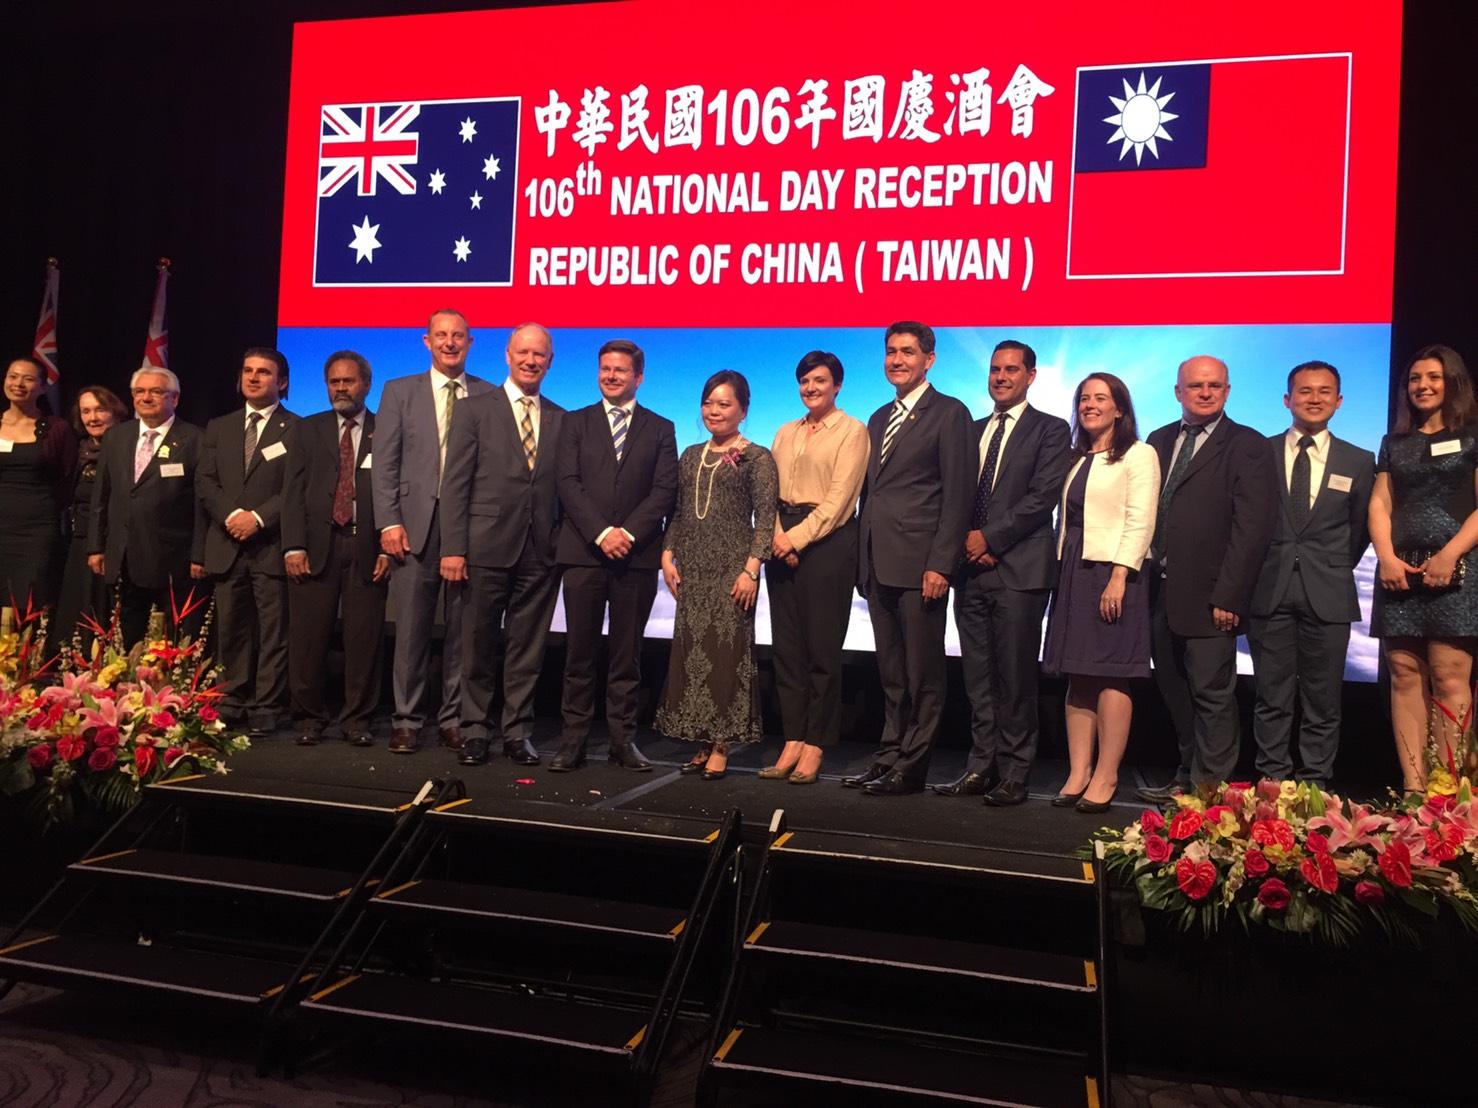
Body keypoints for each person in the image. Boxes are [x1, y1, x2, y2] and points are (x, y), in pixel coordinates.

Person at [1138, 356, 1276, 800]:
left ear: (1227, 391)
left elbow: (1252, 529)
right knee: (1174, 689)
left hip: (1213, 597)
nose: (1205, 392)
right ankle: (1187, 776)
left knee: (1212, 695)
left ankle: (1211, 793)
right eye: (1196, 385)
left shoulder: (1248, 445)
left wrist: (1230, 596)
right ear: (1178, 392)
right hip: (1158, 590)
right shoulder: (1159, 440)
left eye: (1214, 385)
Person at [940, 340, 1071, 806]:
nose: (1000, 377)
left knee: (1015, 679)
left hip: (1019, 571)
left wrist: (990, 539)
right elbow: (953, 496)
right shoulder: (971, 430)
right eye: (995, 369)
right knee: (977, 679)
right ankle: (981, 766)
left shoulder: (1051, 430)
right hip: (969, 571)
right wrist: (966, 542)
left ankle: (1015, 772)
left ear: (1030, 376)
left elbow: (1042, 497)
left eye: (1011, 369)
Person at [850, 322, 972, 796]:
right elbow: (872, 494)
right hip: (878, 562)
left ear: (929, 359)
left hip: (922, 566)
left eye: (907, 351)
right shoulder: (879, 416)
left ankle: (913, 765)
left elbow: (957, 496)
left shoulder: (950, 413)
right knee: (892, 674)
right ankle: (889, 756)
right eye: (891, 352)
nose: (896, 360)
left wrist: (941, 564)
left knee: (923, 674)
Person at [440, 323, 565, 767]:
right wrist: (453, 548)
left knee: (527, 649)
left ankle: (517, 732)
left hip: (540, 551)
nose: (531, 361)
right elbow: (455, 483)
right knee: (478, 645)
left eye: (539, 354)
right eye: (523, 352)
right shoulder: (474, 410)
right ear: (507, 356)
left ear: (550, 362)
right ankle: (475, 730)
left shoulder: (561, 417)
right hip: (483, 547)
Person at [550, 339, 678, 772]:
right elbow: (567, 483)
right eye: (605, 368)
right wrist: (603, 533)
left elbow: (664, 490)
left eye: (620, 370)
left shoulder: (661, 428)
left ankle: (623, 741)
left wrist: (628, 534)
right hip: (584, 554)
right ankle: (573, 742)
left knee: (628, 656)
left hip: (636, 558)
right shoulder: (575, 422)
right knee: (578, 654)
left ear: (638, 377)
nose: (611, 376)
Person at [1248, 362, 1374, 789]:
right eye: (1305, 391)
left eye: (1324, 392)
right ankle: (1272, 786)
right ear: (1288, 400)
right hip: (1268, 590)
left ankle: (1314, 787)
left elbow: (1359, 530)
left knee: (1323, 702)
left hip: (1330, 592)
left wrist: (1330, 566)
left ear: (1338, 401)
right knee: (1271, 698)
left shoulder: (1359, 460)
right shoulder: (1260, 453)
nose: (1314, 399)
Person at [372, 309, 494, 755]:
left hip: (470, 529)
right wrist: (388, 521)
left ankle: (454, 719)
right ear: (427, 341)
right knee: (411, 631)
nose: (449, 343)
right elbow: (385, 463)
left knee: (464, 632)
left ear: (470, 342)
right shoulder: (398, 391)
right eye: (441, 335)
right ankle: (406, 719)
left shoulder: (489, 394)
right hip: (412, 527)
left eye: (458, 335)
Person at [1041, 374, 1159, 813]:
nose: (1090, 405)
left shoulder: (1138, 454)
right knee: (1078, 673)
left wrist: (1119, 575)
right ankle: (1078, 772)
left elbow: (1141, 518)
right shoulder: (1077, 457)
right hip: (1074, 569)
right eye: (1084, 399)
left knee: (1111, 672)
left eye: (1101, 398)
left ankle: (1107, 775)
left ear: (1120, 408)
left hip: (1113, 573)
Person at [655, 371, 778, 779]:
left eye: (724, 404)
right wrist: (667, 554)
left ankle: (723, 743)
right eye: (708, 403)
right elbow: (678, 512)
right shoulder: (691, 455)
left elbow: (765, 519)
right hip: (693, 569)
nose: (714, 411)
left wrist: (751, 570)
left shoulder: (757, 457)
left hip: (732, 570)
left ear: (743, 410)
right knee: (693, 654)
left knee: (726, 656)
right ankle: (702, 741)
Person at [1369, 344, 1478, 793]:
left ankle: (1447, 792)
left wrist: (1450, 555)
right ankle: (1414, 791)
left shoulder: (1471, 438)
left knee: (1449, 677)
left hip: (1458, 567)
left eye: (1433, 377)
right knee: (1404, 674)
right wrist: (1386, 557)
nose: (1423, 386)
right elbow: (1381, 503)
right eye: (1415, 378)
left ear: (1452, 382)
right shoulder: (1395, 443)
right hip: (1400, 570)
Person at [762, 351, 868, 785]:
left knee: (822, 651)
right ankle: (792, 737)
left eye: (820, 380)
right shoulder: (785, 432)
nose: (811, 388)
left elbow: (841, 500)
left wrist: (796, 539)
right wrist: (776, 536)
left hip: (827, 543)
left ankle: (816, 743)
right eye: (805, 381)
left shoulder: (852, 431)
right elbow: (768, 491)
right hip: (780, 539)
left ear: (837, 385)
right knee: (787, 651)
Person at [281, 351, 392, 749]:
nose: (341, 388)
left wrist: (387, 546)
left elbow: (398, 491)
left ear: (367, 384)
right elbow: (292, 492)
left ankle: (358, 719)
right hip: (315, 548)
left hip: (368, 547)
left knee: (364, 641)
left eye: (348, 381)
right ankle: (309, 717)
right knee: (309, 639)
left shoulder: (387, 428)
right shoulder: (307, 429)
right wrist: (293, 545)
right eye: (334, 382)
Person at [194, 348, 298, 735]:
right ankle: (232, 699)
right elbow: (205, 482)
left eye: (264, 372)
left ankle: (267, 705)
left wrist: (257, 518)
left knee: (274, 631)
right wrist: (232, 516)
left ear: (281, 382)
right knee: (231, 629)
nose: (253, 378)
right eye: (248, 371)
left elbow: (296, 488)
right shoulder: (219, 426)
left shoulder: (297, 428)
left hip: (271, 543)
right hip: (226, 542)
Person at [87, 366, 205, 647]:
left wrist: (199, 555)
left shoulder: (196, 439)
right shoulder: (116, 436)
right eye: (139, 391)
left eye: (156, 391)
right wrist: (96, 546)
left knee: (171, 641)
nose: (146, 397)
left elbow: (202, 504)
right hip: (123, 556)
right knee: (127, 639)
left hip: (173, 559)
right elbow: (101, 495)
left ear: (174, 398)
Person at [53, 385, 128, 652]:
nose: (92, 418)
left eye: (100, 410)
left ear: (115, 412)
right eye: (86, 411)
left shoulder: (128, 447)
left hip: (114, 543)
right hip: (80, 540)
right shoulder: (78, 450)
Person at [0, 357, 78, 615]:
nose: (18, 384)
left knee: (30, 598)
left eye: (28, 378)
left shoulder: (57, 429)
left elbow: (68, 478)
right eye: (13, 376)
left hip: (36, 529)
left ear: (43, 387)